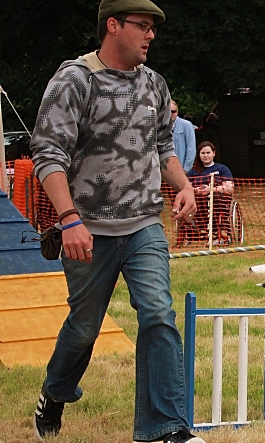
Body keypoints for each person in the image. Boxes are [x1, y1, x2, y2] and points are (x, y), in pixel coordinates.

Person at [29, 1, 205, 442]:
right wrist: (69, 219)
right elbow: (48, 155)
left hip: (144, 224)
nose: (151, 36)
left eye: (152, 29)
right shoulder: (75, 80)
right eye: (143, 27)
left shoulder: (155, 85)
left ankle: (165, 429)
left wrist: (183, 185)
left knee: (158, 314)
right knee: (85, 328)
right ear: (113, 25)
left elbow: (162, 148)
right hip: (88, 230)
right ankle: (55, 391)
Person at [171, 100, 196, 172]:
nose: (171, 114)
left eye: (173, 111)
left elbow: (191, 148)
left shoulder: (186, 125)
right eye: (168, 111)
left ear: (177, 111)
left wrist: (186, 169)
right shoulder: (159, 126)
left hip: (181, 169)